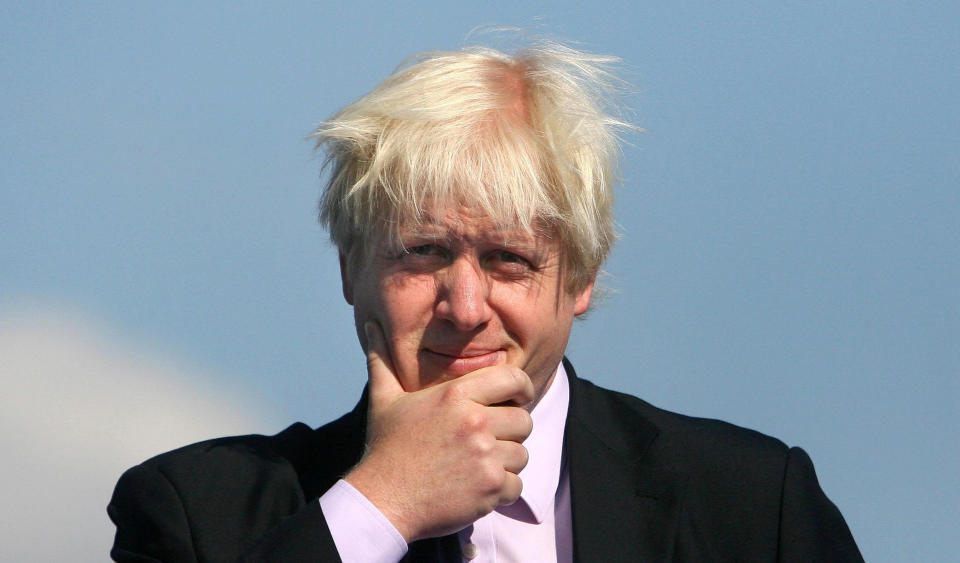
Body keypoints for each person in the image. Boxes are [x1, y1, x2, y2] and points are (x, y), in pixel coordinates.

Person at [108, 41, 863, 562]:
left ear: (581, 278)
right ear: (349, 266)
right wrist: (380, 507)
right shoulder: (193, 513)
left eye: (509, 260)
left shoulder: (753, 507)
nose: (465, 306)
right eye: (424, 252)